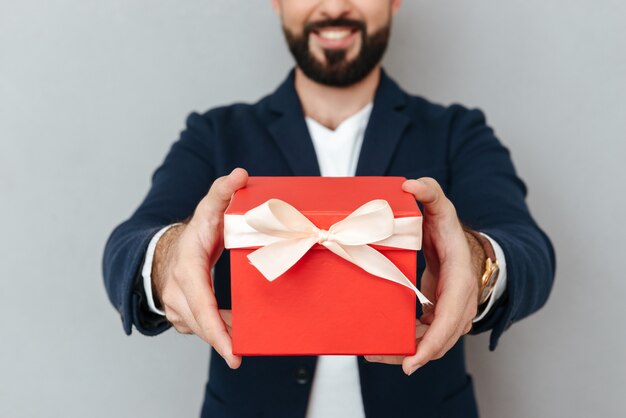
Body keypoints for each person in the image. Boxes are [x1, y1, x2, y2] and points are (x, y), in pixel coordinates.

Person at [103, 1, 555, 417]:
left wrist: (478, 263)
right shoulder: (215, 134)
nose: (336, 6)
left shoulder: (457, 132)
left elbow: (528, 249)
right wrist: (167, 259)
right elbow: (127, 245)